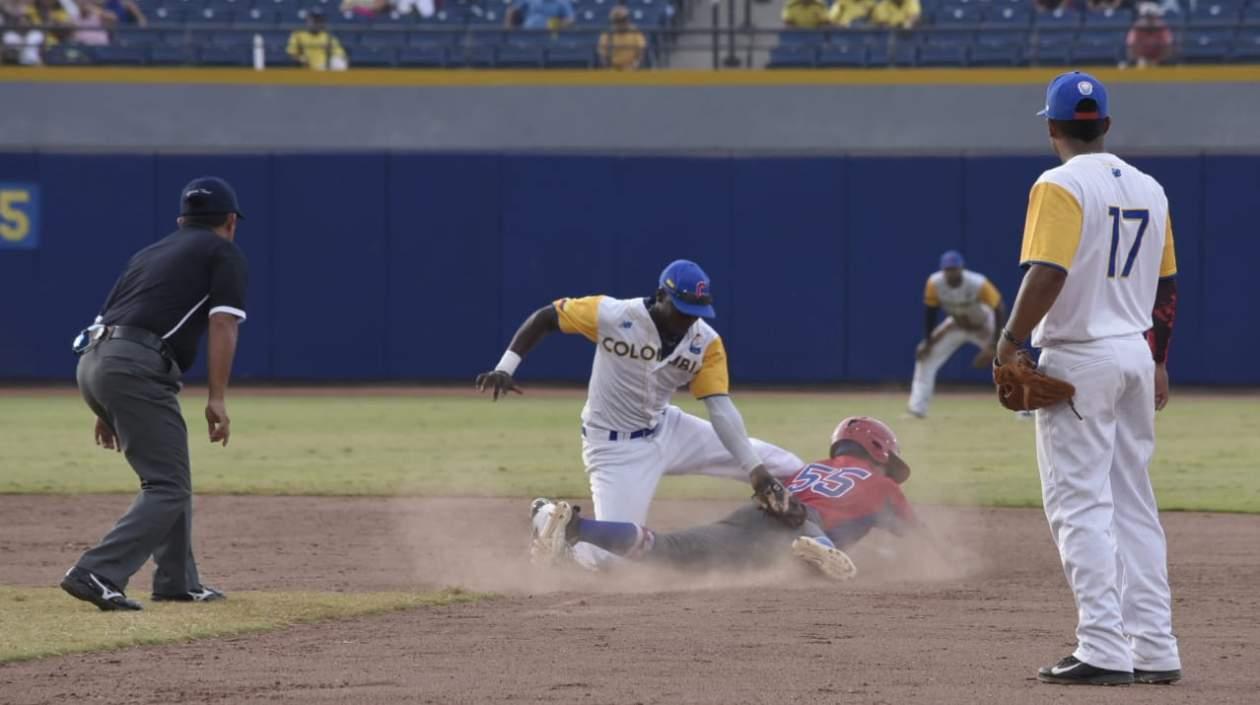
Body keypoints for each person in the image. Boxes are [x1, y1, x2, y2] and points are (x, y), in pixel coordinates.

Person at [995, 71, 1181, 686]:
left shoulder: (1059, 182)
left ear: (1052, 128)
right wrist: (1157, 358)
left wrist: (1010, 339)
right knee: (1133, 504)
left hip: (1080, 356)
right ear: (1103, 124)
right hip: (1132, 350)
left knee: (1080, 507)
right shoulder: (1151, 188)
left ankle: (1103, 645)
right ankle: (1155, 646)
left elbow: (1048, 270)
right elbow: (1166, 285)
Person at [476, 259, 804, 569]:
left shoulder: (706, 341)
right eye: (682, 310)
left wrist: (756, 472)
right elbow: (547, 317)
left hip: (669, 428)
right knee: (612, 561)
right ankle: (547, 518)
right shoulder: (614, 314)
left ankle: (810, 536)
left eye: (697, 312)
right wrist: (505, 367)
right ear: (661, 296)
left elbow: (720, 408)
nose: (688, 320)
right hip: (615, 448)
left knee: (786, 466)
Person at [60, 177, 249, 612]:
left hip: (96, 360)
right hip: (134, 366)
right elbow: (224, 323)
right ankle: (98, 570)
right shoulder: (223, 252)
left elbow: (108, 316)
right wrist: (217, 398)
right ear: (231, 222)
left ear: (182, 219)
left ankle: (178, 581)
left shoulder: (149, 253)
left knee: (171, 473)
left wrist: (104, 405)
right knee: (167, 483)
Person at [531, 417, 918, 581]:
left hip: (753, 515)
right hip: (801, 521)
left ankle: (577, 527)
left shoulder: (812, 468)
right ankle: (815, 546)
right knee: (807, 526)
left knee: (667, 549)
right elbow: (925, 540)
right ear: (878, 450)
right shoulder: (884, 486)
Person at [907, 250, 1007, 419]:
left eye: (954, 269)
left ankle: (1024, 409)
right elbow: (930, 312)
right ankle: (917, 408)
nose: (951, 273)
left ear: (962, 268)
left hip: (983, 325)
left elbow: (998, 308)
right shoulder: (934, 282)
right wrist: (929, 341)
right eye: (948, 269)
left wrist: (994, 344)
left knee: (1007, 357)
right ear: (942, 270)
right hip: (956, 324)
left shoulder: (978, 282)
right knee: (924, 355)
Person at [597, 5, 645, 71]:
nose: (621, 23)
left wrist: (635, 66)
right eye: (618, 21)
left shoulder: (635, 32)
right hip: (613, 69)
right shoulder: (607, 34)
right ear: (613, 22)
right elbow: (602, 56)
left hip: (631, 68)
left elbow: (641, 52)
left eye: (623, 20)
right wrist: (608, 69)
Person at [1126, 3, 1173, 68]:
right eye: (1147, 17)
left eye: (1152, 16)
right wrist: (1140, 59)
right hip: (1141, 61)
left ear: (1156, 17)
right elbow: (1130, 50)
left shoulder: (1162, 27)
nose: (1149, 20)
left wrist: (1157, 60)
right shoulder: (1136, 28)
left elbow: (1168, 49)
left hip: (1159, 61)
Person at [505, 0, 573, 30]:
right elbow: (513, 11)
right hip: (527, 34)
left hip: (551, 36)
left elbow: (570, 20)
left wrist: (558, 24)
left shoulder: (562, 1)